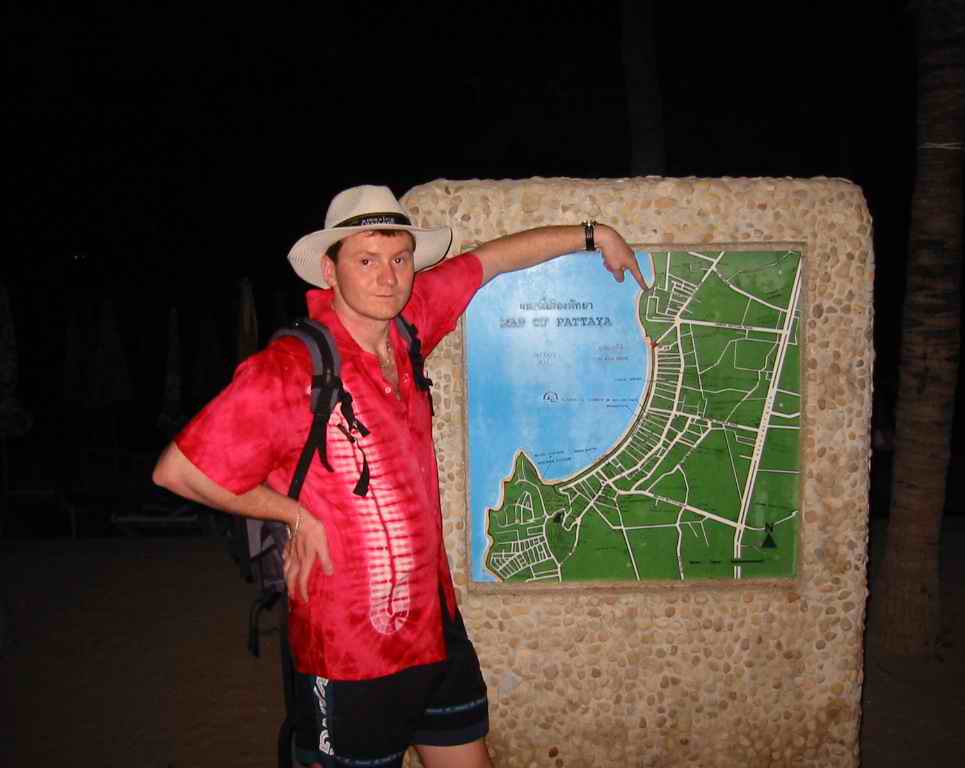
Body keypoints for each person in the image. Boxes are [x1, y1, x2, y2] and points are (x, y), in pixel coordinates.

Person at [153, 185, 646, 768]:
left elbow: (490, 260)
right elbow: (179, 470)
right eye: (366, 261)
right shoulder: (291, 369)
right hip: (350, 651)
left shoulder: (409, 328)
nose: (387, 278)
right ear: (330, 272)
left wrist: (593, 235)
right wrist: (293, 513)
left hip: (436, 630)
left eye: (399, 259)